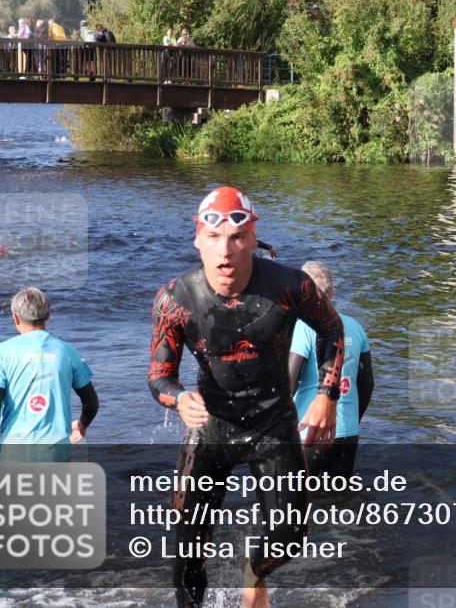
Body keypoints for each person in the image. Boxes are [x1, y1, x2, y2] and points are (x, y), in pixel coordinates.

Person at [147, 186, 345, 608]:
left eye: (237, 239)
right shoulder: (175, 299)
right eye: (215, 238)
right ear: (198, 241)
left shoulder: (291, 286)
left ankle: (253, 572)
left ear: (254, 240)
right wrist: (177, 398)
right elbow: (158, 377)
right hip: (211, 426)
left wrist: (327, 394)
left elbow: (332, 329)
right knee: (186, 547)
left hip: (273, 422)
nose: (226, 251)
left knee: (290, 537)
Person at [0, 288, 99, 463]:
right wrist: (82, 424)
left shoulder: (2, 352)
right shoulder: (66, 351)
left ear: (15, 317)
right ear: (48, 315)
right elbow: (92, 403)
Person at [289, 262, 374, 479]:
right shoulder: (355, 327)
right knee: (341, 500)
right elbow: (367, 384)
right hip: (347, 433)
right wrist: (352, 420)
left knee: (295, 503)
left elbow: (289, 382)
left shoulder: (303, 327)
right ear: (332, 291)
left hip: (309, 431)